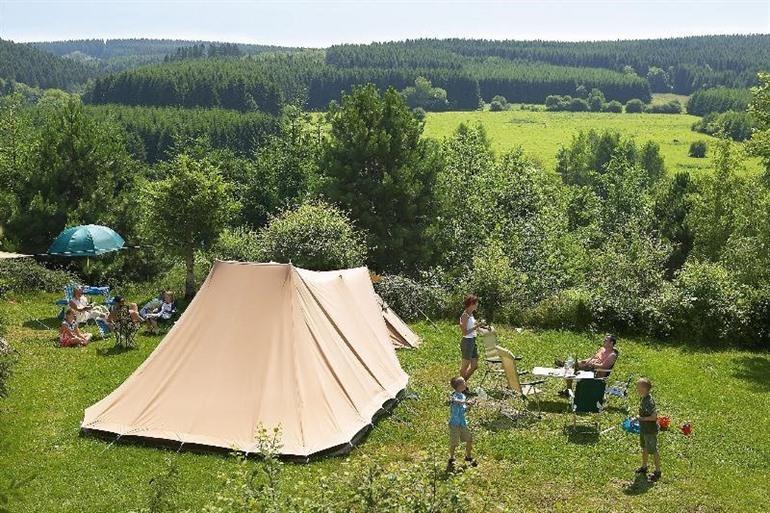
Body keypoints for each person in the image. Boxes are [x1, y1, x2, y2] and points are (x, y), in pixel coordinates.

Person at [446, 376, 477, 472]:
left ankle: (468, 456)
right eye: (463, 382)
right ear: (459, 386)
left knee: (469, 439)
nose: (465, 383)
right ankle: (451, 457)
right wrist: (466, 402)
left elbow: (464, 409)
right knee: (454, 442)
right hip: (455, 423)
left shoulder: (463, 396)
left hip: (463, 423)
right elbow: (454, 401)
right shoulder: (454, 395)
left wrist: (470, 406)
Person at [634, 377, 661, 482]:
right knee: (644, 447)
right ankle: (644, 467)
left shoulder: (649, 401)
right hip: (643, 429)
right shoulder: (643, 398)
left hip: (650, 430)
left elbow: (654, 417)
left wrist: (641, 418)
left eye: (638, 386)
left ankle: (658, 471)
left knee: (653, 450)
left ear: (644, 388)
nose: (636, 388)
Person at [459, 294, 485, 386]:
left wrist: (484, 328)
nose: (477, 305)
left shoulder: (471, 315)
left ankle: (461, 384)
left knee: (474, 365)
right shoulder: (464, 316)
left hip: (473, 341)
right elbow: (465, 332)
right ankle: (461, 387)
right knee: (465, 366)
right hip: (467, 342)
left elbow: (475, 327)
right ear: (471, 304)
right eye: (476, 303)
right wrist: (477, 326)